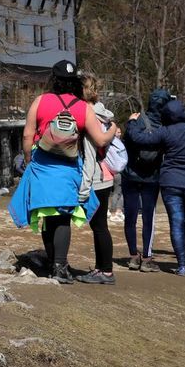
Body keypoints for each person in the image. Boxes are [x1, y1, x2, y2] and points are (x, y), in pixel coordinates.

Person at [9, 60, 116, 284]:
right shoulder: (82, 107)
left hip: (42, 166)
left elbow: (28, 136)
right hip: (68, 169)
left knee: (48, 217)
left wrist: (29, 160)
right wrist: (114, 128)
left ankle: (52, 264)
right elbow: (100, 139)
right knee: (63, 218)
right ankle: (60, 265)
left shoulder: (40, 101)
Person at [126, 98, 185, 276]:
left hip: (171, 181)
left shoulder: (165, 132)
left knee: (176, 223)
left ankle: (182, 266)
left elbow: (138, 138)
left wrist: (132, 122)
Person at [75, 73, 124, 285]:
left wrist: (83, 190)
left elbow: (88, 155)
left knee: (100, 226)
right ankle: (101, 268)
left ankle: (105, 271)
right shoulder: (103, 112)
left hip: (96, 177)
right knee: (100, 225)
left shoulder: (89, 116)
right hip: (106, 175)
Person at [121, 89, 170, 272]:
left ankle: (133, 256)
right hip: (152, 177)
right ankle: (147, 258)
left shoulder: (136, 120)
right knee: (149, 218)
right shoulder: (166, 126)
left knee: (131, 217)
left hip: (131, 174)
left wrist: (131, 123)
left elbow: (127, 141)